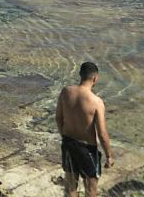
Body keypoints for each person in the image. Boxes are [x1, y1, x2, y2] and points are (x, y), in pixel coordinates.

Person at [56, 61, 113, 197]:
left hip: (68, 143)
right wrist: (109, 155)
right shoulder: (96, 102)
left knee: (70, 187)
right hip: (87, 150)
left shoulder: (65, 92)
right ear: (95, 78)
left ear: (80, 75)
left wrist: (64, 136)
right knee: (91, 189)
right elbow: (102, 133)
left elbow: (58, 118)